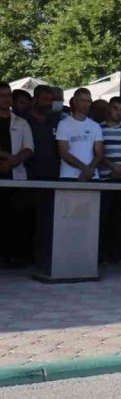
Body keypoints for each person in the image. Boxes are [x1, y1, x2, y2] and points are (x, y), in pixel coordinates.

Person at [0, 81, 35, 266]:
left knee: (14, 218)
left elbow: (29, 148)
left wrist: (14, 160)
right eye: (2, 95)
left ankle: (12, 257)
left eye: (8, 95)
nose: (6, 99)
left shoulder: (21, 122)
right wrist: (8, 158)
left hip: (16, 177)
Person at [98, 96, 121, 263]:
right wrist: (113, 166)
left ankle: (116, 255)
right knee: (104, 218)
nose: (118, 112)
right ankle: (102, 253)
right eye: (115, 108)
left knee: (120, 219)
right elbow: (99, 152)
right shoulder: (99, 128)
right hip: (105, 178)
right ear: (109, 109)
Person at [56, 88, 104, 181]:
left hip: (92, 176)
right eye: (82, 101)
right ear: (74, 101)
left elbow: (99, 153)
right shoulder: (63, 124)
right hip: (69, 175)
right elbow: (64, 153)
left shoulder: (95, 126)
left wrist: (89, 171)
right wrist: (85, 169)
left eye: (88, 101)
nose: (85, 104)